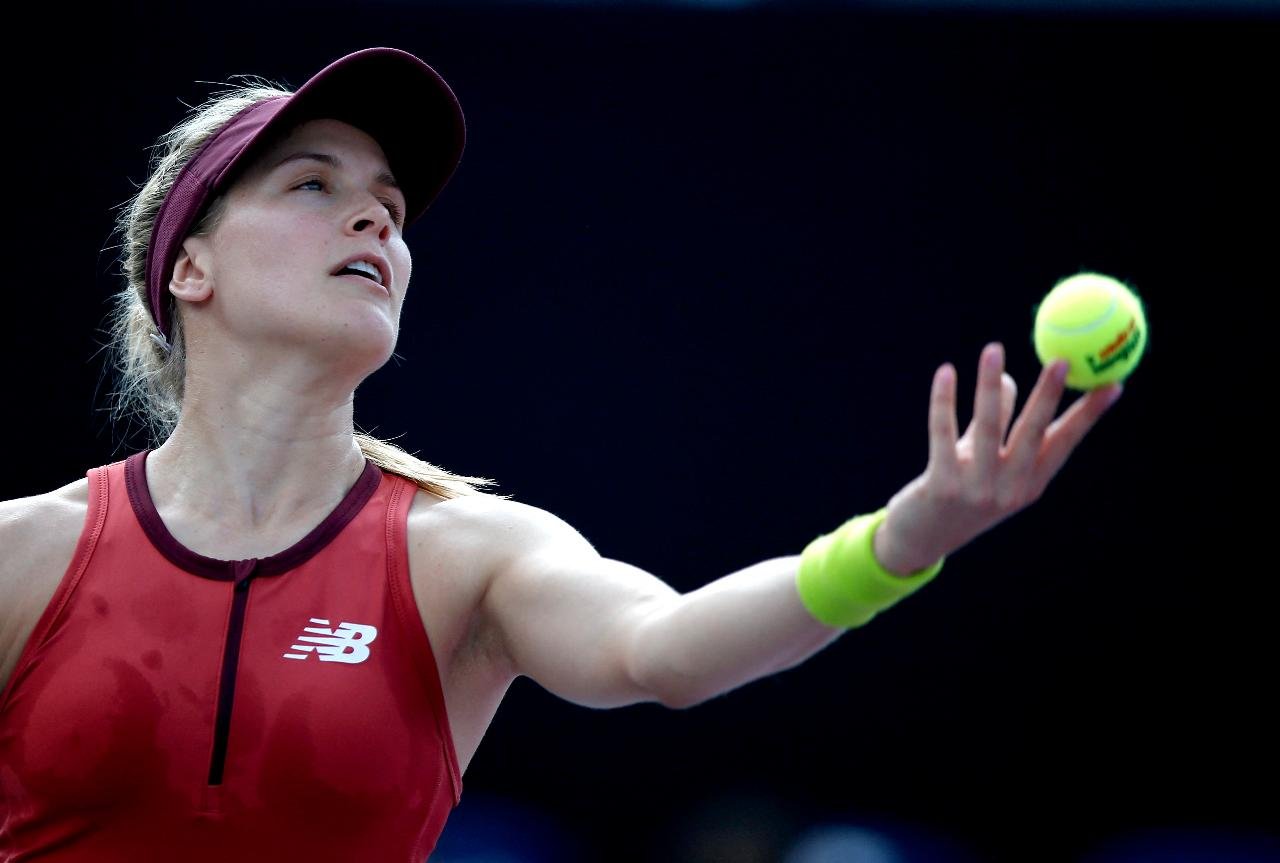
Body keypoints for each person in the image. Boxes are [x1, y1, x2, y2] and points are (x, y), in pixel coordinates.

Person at [0, 46, 1123, 861]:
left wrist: (905, 537)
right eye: (313, 185)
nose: (377, 225)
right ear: (187, 269)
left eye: (391, 209)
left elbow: (667, 651)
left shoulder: (463, 553)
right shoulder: (27, 551)